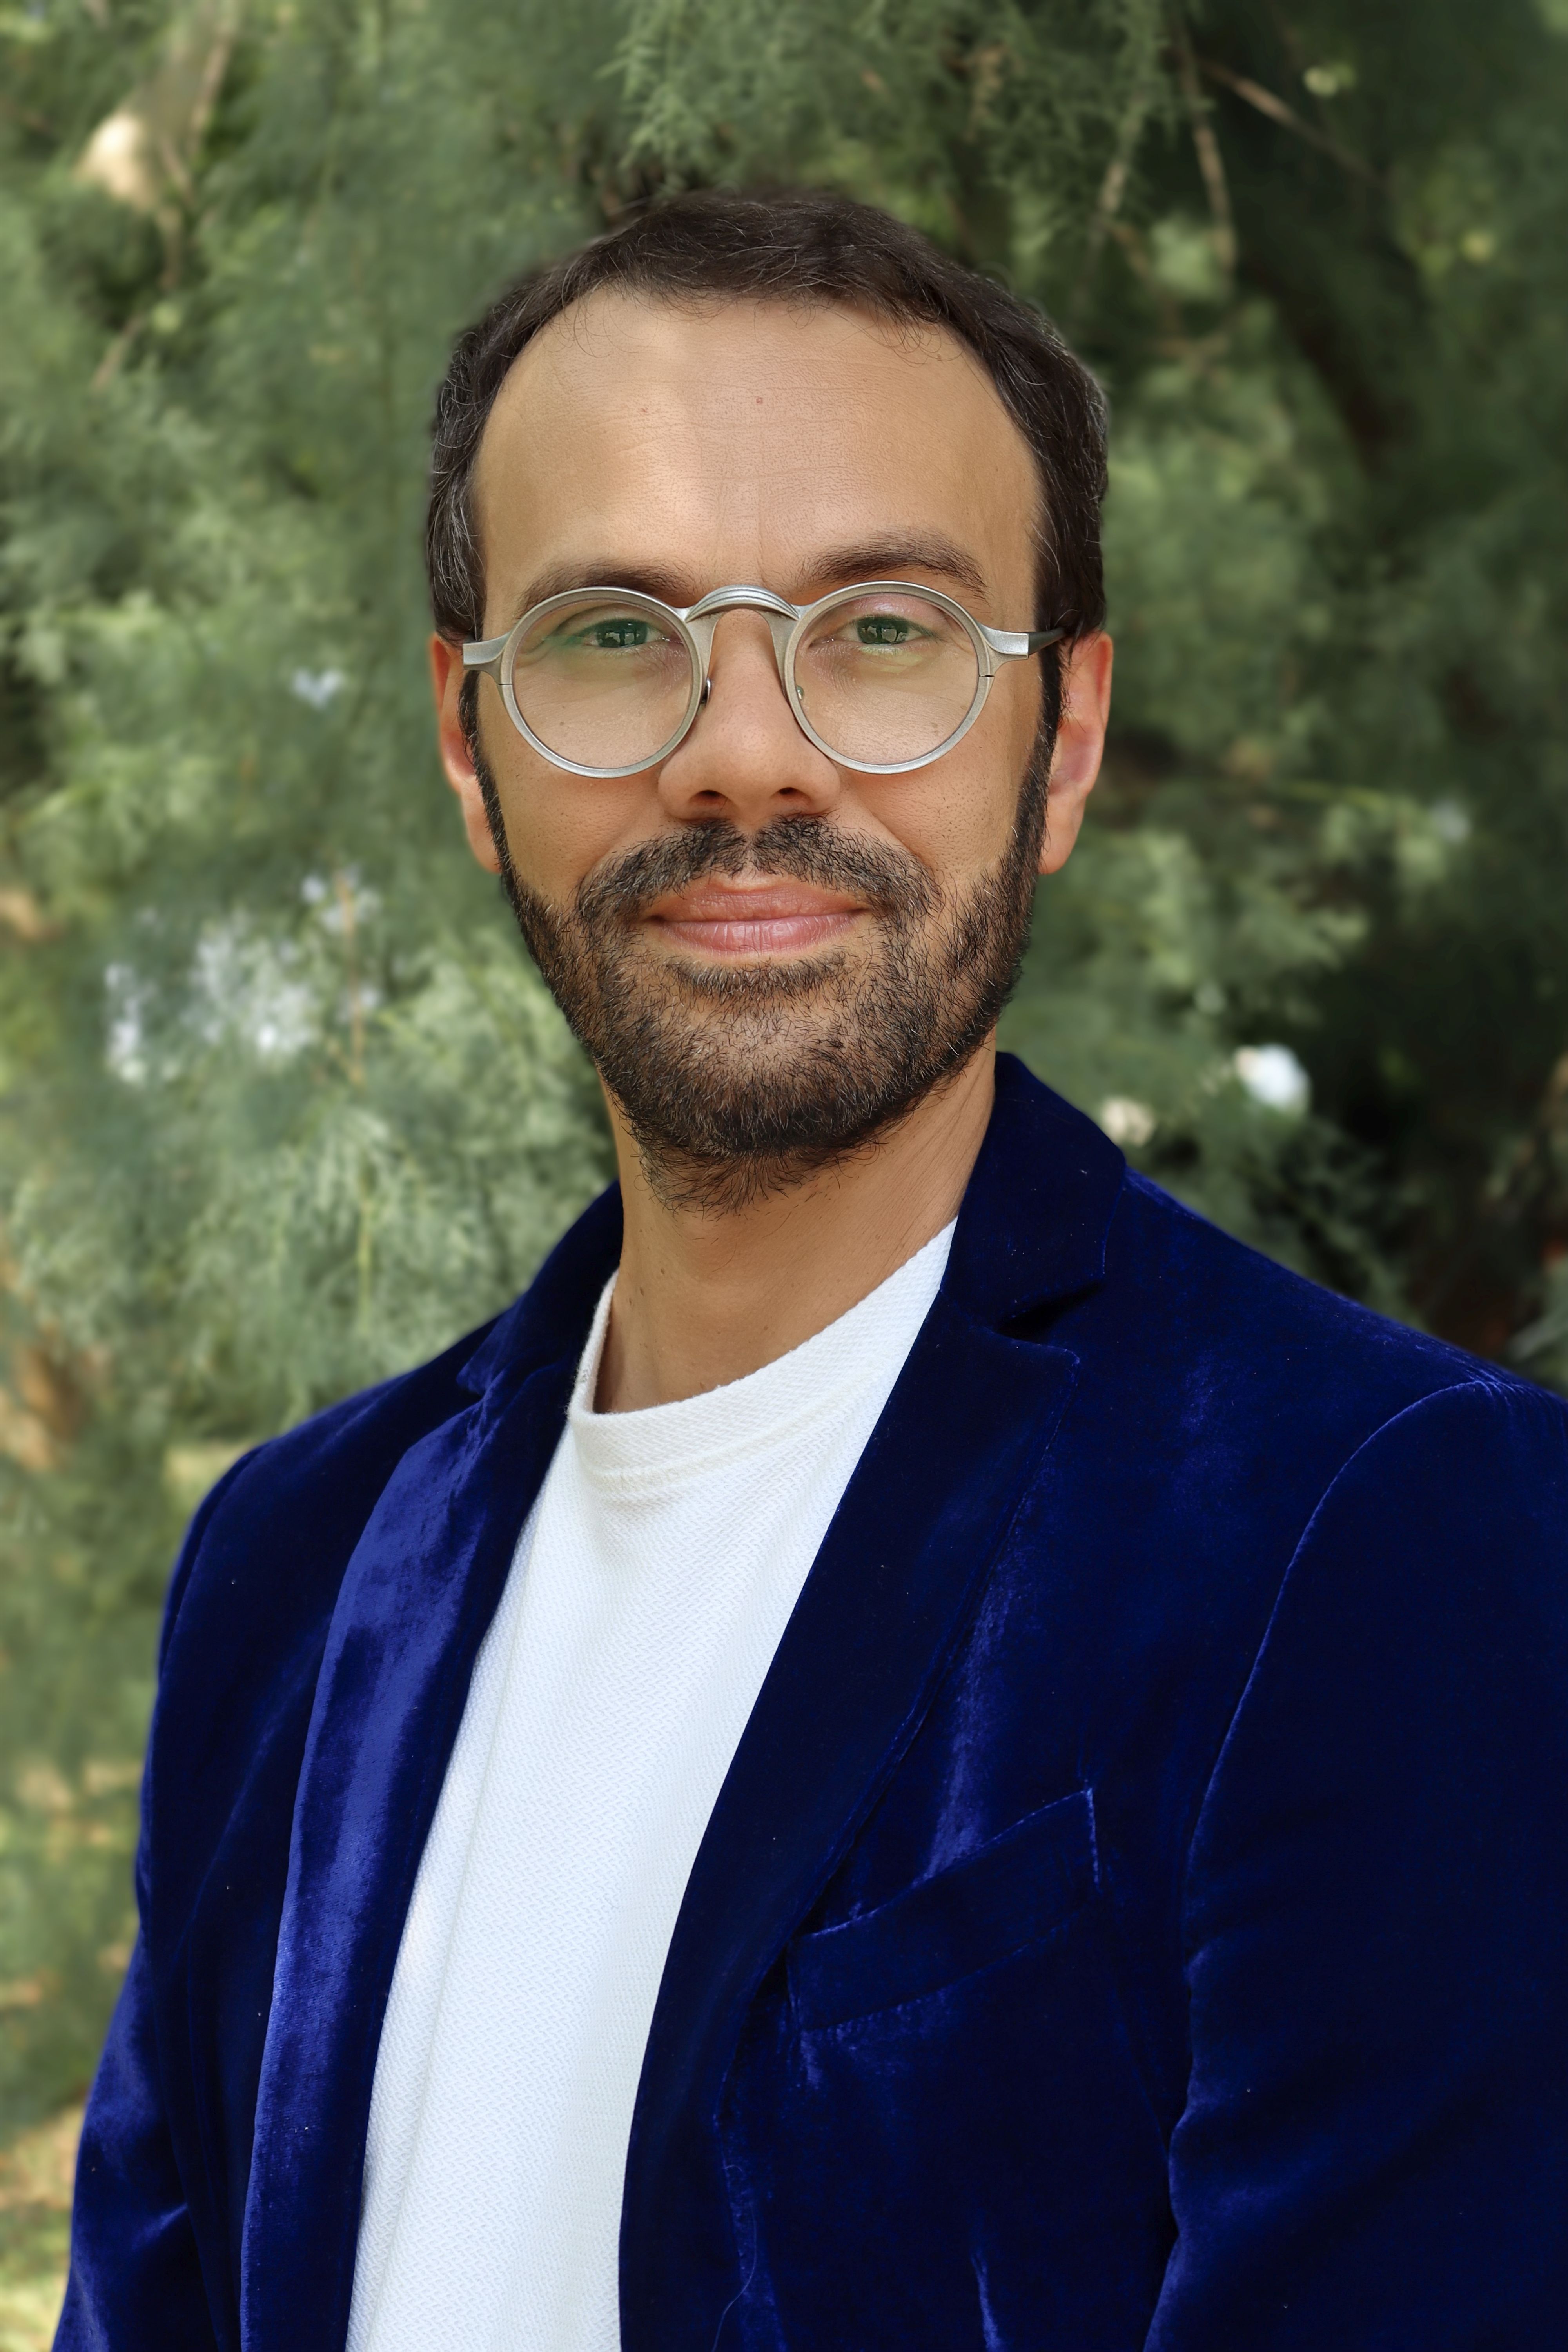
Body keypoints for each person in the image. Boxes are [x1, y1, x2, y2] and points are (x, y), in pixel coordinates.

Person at [58, 188, 1568, 2352]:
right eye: (610, 634)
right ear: (471, 749)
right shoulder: (293, 1570)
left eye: (882, 631)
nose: (743, 749)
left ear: (1062, 740)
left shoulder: (1389, 1528)